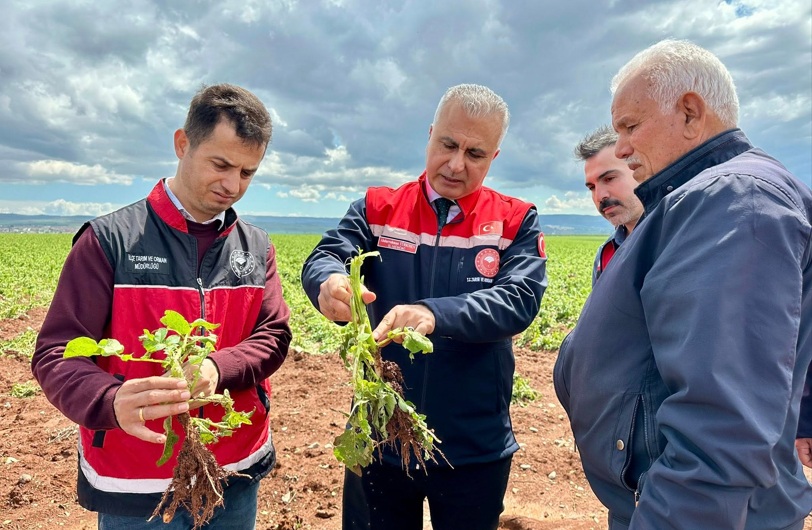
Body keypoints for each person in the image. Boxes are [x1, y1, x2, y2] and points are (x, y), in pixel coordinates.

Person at [553, 39, 812, 529]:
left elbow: (719, 428)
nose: (622, 147)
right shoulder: (693, 204)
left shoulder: (733, 199)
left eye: (630, 127)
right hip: (661, 497)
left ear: (691, 113)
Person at [32, 84, 292, 529]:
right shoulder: (109, 241)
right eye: (221, 164)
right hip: (136, 479)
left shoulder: (256, 246)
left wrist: (217, 367)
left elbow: (273, 336)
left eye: (248, 172)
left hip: (233, 469)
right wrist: (110, 400)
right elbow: (56, 353)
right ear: (182, 143)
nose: (233, 185)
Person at [301, 83, 548, 530]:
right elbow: (326, 255)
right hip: (379, 437)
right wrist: (329, 282)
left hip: (472, 445)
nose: (456, 164)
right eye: (448, 145)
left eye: (475, 154)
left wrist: (434, 314)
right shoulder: (379, 208)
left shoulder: (515, 219)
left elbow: (520, 299)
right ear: (431, 135)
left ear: (494, 158)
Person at [574, 125, 643, 285]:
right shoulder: (605, 254)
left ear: (640, 170)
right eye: (592, 187)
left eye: (609, 179)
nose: (600, 196)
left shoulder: (677, 240)